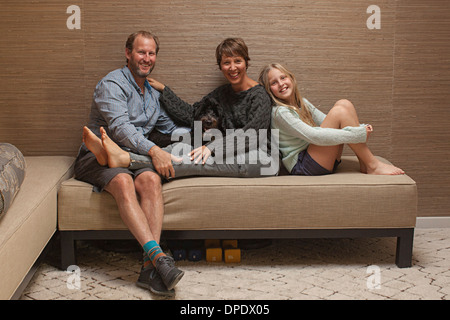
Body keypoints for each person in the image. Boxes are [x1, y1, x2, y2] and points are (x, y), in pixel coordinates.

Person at [74, 31, 185, 297]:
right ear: (128, 53)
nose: (146, 58)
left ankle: (150, 268)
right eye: (141, 52)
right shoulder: (111, 84)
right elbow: (121, 129)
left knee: (150, 180)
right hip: (98, 155)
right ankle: (159, 258)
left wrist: (207, 138)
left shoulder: (152, 94)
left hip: (133, 157)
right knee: (123, 180)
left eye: (151, 53)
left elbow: (169, 128)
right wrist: (155, 150)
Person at [83, 38, 277, 179]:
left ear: (247, 63)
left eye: (237, 61)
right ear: (220, 67)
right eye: (226, 62)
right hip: (226, 149)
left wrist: (213, 148)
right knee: (179, 147)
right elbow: (193, 114)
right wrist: (165, 91)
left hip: (261, 157)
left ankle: (126, 159)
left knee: (203, 162)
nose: (232, 67)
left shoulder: (259, 95)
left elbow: (253, 136)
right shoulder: (221, 94)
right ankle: (122, 157)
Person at [258, 63, 405, 176]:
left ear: (291, 78)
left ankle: (364, 163)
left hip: (318, 158)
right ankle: (373, 165)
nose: (281, 84)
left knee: (344, 104)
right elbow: (313, 135)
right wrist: (357, 134)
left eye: (283, 77)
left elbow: (325, 120)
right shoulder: (280, 113)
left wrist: (360, 127)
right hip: (303, 165)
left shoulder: (301, 101)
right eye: (274, 83)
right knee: (338, 111)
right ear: (270, 90)